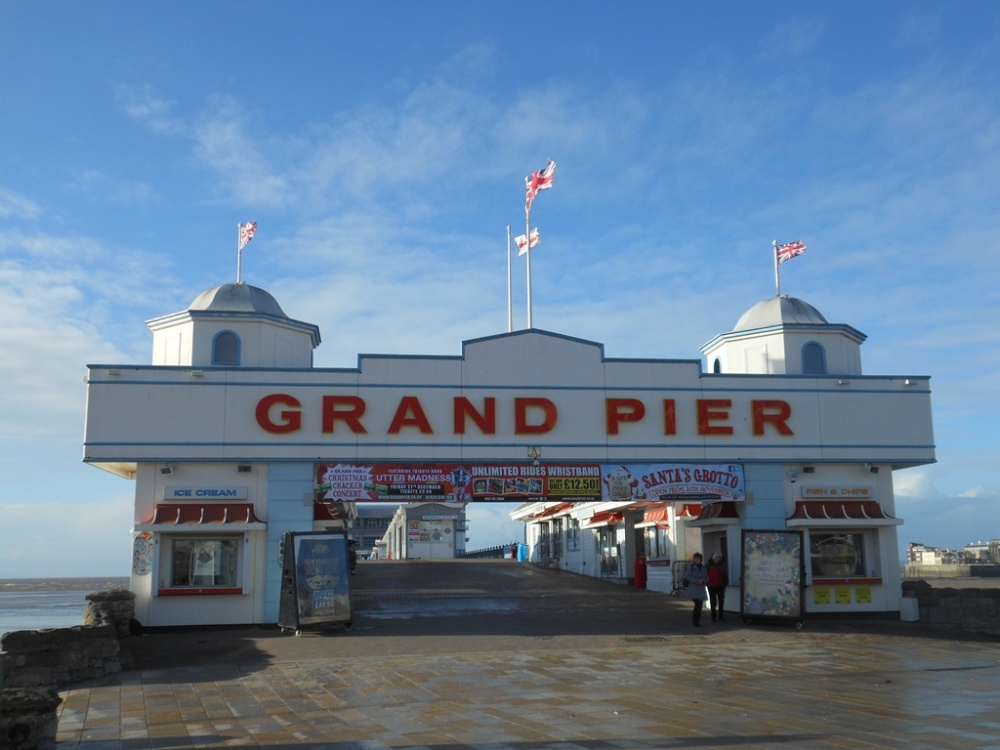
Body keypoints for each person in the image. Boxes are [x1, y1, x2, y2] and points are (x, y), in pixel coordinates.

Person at [683, 553, 710, 627]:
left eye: (698, 559)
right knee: (697, 605)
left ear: (701, 559)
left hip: (701, 589)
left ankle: (697, 621)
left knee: (699, 606)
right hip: (693, 589)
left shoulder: (703, 567)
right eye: (695, 559)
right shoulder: (691, 567)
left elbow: (707, 577)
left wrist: (704, 581)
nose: (697, 560)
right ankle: (695, 621)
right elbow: (688, 576)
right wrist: (697, 581)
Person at [707, 552, 729, 622]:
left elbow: (725, 575)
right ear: (714, 558)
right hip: (711, 586)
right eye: (717, 558)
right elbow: (705, 574)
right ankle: (713, 616)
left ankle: (720, 616)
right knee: (713, 602)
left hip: (720, 586)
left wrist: (725, 584)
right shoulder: (708, 564)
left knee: (721, 601)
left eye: (719, 558)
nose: (718, 559)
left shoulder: (722, 565)